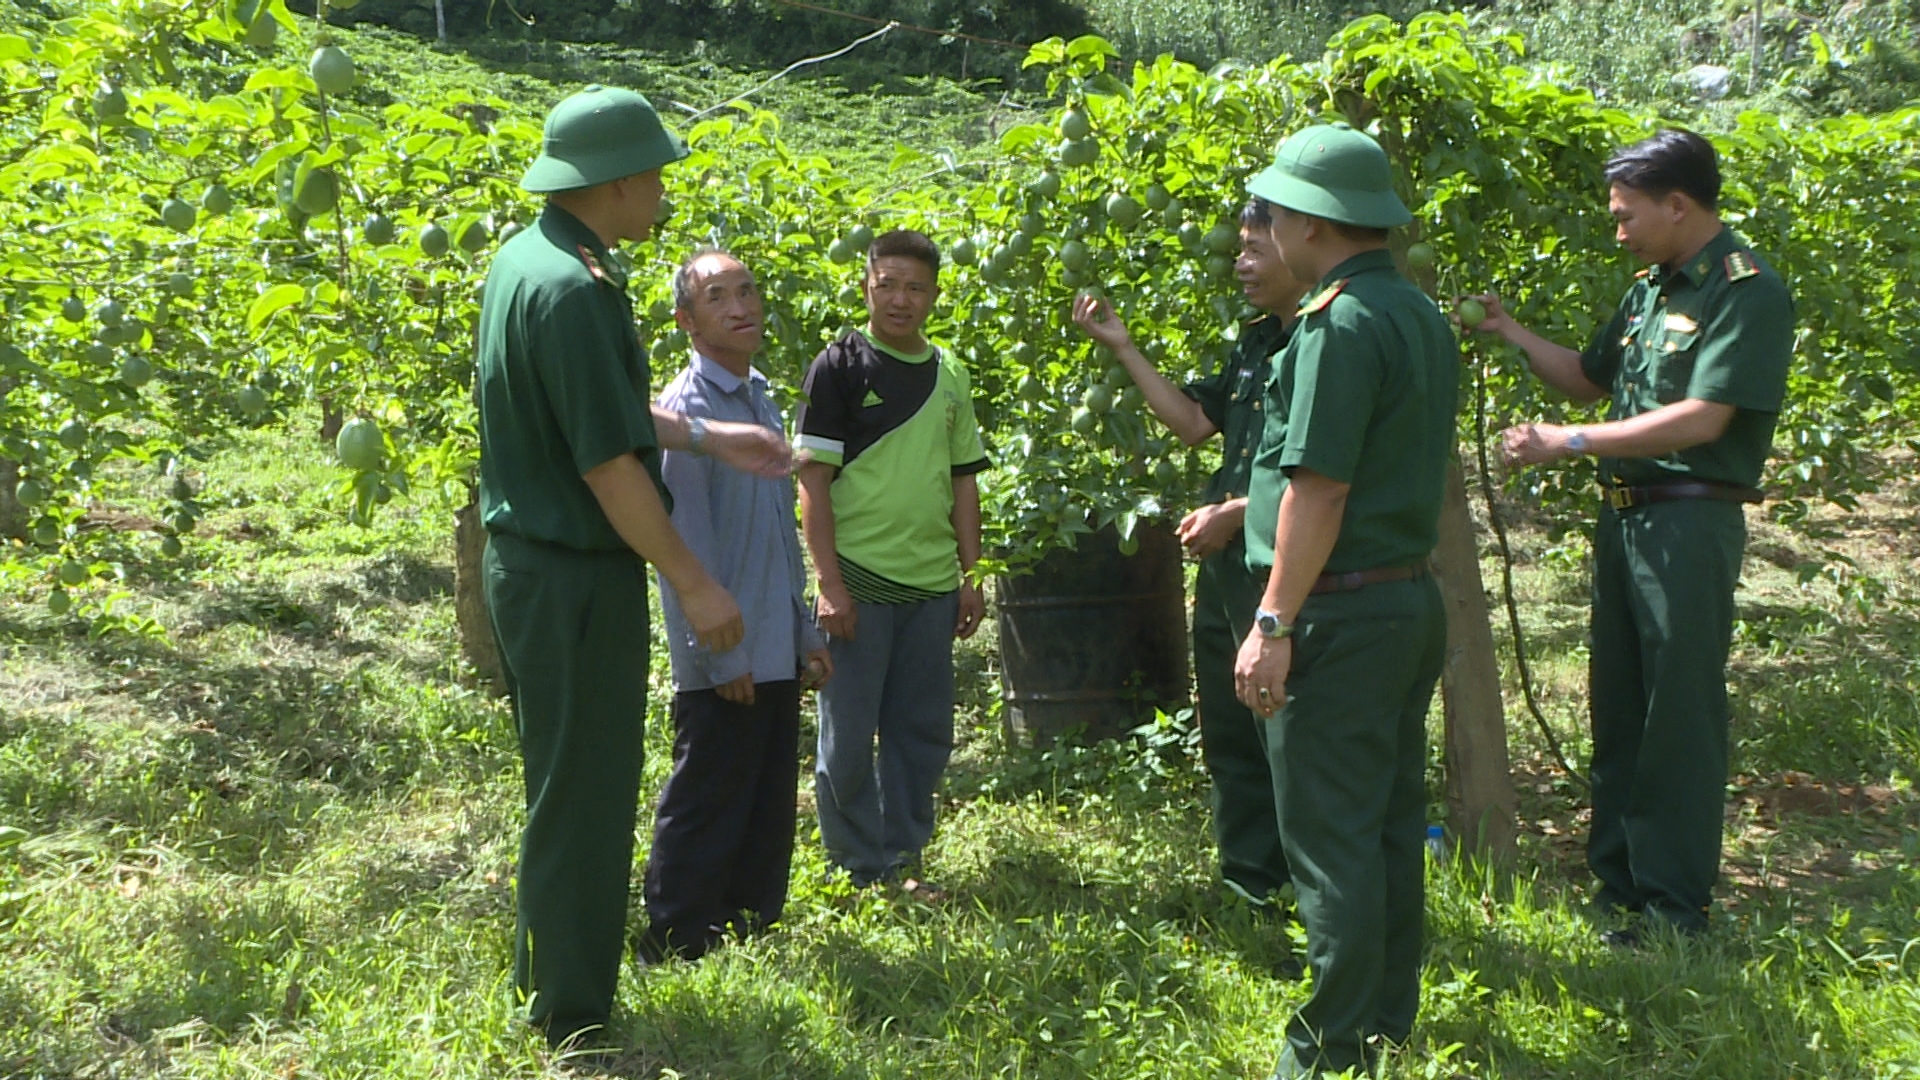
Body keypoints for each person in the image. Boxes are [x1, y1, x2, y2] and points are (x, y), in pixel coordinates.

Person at [475, 85, 790, 1049]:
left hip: (537, 570)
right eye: (653, 172)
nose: (662, 189)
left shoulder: (533, 263)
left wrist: (705, 437)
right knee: (589, 794)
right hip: (572, 577)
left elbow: (603, 411)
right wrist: (696, 579)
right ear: (613, 183)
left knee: (561, 782)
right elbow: (608, 464)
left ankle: (546, 975)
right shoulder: (575, 290)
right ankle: (573, 1015)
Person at [1471, 129, 1794, 945]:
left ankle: (1675, 908)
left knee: (1676, 715)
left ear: (1677, 205)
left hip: (1688, 520)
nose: (1617, 231)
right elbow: (1590, 377)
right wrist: (1512, 333)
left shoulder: (1743, 290)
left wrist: (1567, 443)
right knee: (1618, 708)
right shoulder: (1651, 289)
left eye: (1626, 216)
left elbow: (1702, 416)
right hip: (1627, 520)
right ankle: (1619, 892)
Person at [1231, 123, 1458, 1079]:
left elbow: (1321, 490)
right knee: (1389, 823)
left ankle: (1326, 1050)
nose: (1267, 231)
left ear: (1315, 226)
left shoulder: (1338, 324)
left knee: (1328, 839)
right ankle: (1381, 1019)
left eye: (1274, 213)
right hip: (1404, 603)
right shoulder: (1416, 312)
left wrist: (1274, 621)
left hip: (1340, 614)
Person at [1069, 200, 1308, 910]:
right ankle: (1250, 882)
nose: (1241, 263)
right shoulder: (1258, 341)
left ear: (1300, 246)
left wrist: (1237, 512)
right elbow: (1193, 423)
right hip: (1229, 569)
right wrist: (1123, 346)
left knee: (1287, 727)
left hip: (1285, 564)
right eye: (1237, 248)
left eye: (1253, 249)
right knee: (1232, 726)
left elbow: (1324, 481)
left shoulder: (1326, 344)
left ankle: (1306, 885)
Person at [640, 250, 834, 963]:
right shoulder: (685, 412)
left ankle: (750, 928)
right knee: (708, 792)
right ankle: (677, 934)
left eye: (746, 290)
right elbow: (683, 543)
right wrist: (716, 651)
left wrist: (801, 627)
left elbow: (777, 531)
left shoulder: (759, 396)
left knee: (763, 794)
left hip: (770, 636)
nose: (740, 306)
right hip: (725, 641)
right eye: (717, 296)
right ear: (687, 321)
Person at [794, 229, 990, 897]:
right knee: (847, 736)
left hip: (932, 587)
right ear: (866, 286)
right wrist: (829, 584)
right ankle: (856, 865)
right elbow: (812, 482)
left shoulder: (951, 372)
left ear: (934, 295)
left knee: (920, 730)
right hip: (859, 585)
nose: (901, 299)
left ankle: (902, 856)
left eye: (915, 288)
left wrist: (971, 576)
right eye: (888, 285)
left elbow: (964, 480)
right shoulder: (840, 365)